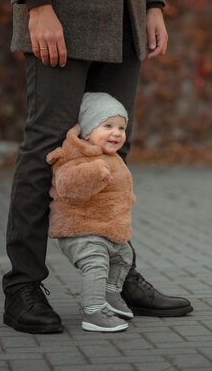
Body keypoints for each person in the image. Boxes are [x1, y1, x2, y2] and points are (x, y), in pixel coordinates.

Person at [3, 0, 193, 334]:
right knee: (47, 149)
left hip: (126, 10)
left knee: (112, 150)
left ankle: (116, 279)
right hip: (61, 6)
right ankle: (22, 285)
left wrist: (153, 3)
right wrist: (37, 3)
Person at [47, 93, 137, 333]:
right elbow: (67, 185)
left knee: (124, 256)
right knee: (96, 263)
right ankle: (93, 311)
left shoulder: (112, 157)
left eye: (121, 127)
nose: (116, 133)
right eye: (108, 126)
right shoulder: (75, 155)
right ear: (87, 131)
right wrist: (93, 173)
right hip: (80, 229)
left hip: (105, 228)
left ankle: (109, 293)